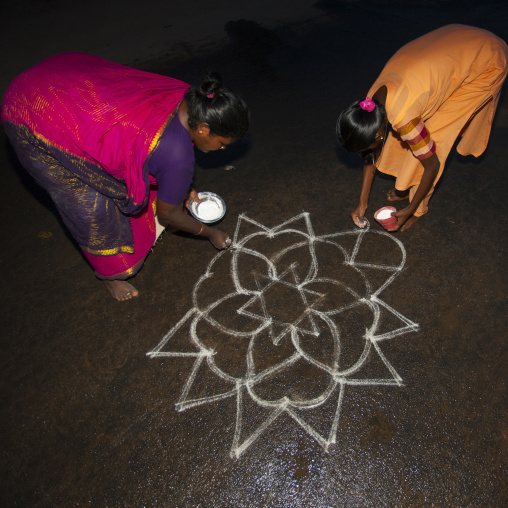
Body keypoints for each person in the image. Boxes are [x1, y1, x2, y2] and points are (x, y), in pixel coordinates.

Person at [2, 52, 249, 300]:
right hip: (33, 114)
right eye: (222, 143)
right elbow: (168, 214)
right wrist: (210, 233)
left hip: (64, 81)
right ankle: (110, 276)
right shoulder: (177, 157)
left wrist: (180, 187)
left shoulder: (191, 100)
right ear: (204, 128)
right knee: (89, 205)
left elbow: (152, 153)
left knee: (144, 170)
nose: (223, 149)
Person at [336, 24, 508, 231]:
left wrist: (411, 209)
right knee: (413, 136)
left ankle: (419, 207)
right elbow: (370, 154)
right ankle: (405, 186)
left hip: (487, 61)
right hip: (456, 40)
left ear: (378, 133)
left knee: (437, 137)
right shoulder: (369, 105)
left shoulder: (404, 119)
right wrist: (362, 203)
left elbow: (431, 165)